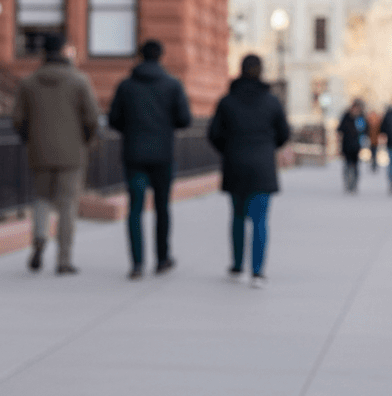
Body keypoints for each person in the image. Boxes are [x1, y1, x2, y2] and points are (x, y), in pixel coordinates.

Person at [11, 33, 99, 275]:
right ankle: (64, 259)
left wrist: (30, 139)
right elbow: (92, 118)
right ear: (63, 51)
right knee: (67, 206)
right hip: (72, 152)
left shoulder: (28, 83)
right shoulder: (79, 81)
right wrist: (87, 141)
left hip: (39, 151)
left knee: (41, 199)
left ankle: (39, 240)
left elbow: (18, 118)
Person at [108, 39, 192, 280]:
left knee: (134, 209)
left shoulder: (126, 86)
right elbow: (184, 119)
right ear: (161, 57)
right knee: (162, 208)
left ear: (139, 56)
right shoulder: (172, 85)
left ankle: (136, 263)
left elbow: (114, 119)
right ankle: (162, 258)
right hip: (163, 155)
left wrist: (132, 128)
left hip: (134, 154)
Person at [207, 54, 289, 288]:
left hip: (235, 164)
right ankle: (257, 272)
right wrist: (267, 148)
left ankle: (236, 265)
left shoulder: (227, 101)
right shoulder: (272, 101)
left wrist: (230, 149)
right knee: (261, 220)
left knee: (238, 217)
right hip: (262, 166)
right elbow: (283, 134)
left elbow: (214, 134)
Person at [337, 99, 368, 193]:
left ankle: (354, 184)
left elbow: (366, 130)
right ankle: (348, 183)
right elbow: (340, 129)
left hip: (356, 146)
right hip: (346, 145)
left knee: (355, 166)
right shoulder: (346, 116)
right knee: (347, 165)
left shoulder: (361, 118)